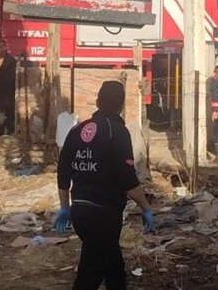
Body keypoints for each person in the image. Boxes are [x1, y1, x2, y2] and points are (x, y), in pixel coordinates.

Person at [54, 81, 153, 290]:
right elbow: (127, 178)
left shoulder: (77, 130)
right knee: (89, 276)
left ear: (98, 101)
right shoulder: (116, 131)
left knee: (114, 267)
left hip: (81, 211)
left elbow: (63, 171)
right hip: (104, 215)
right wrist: (146, 208)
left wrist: (65, 207)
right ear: (121, 105)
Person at [0, 40, 18, 137]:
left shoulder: (11, 61)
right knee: (0, 112)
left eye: (1, 47)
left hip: (8, 91)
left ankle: (8, 131)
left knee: (8, 112)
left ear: (5, 48)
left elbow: (13, 77)